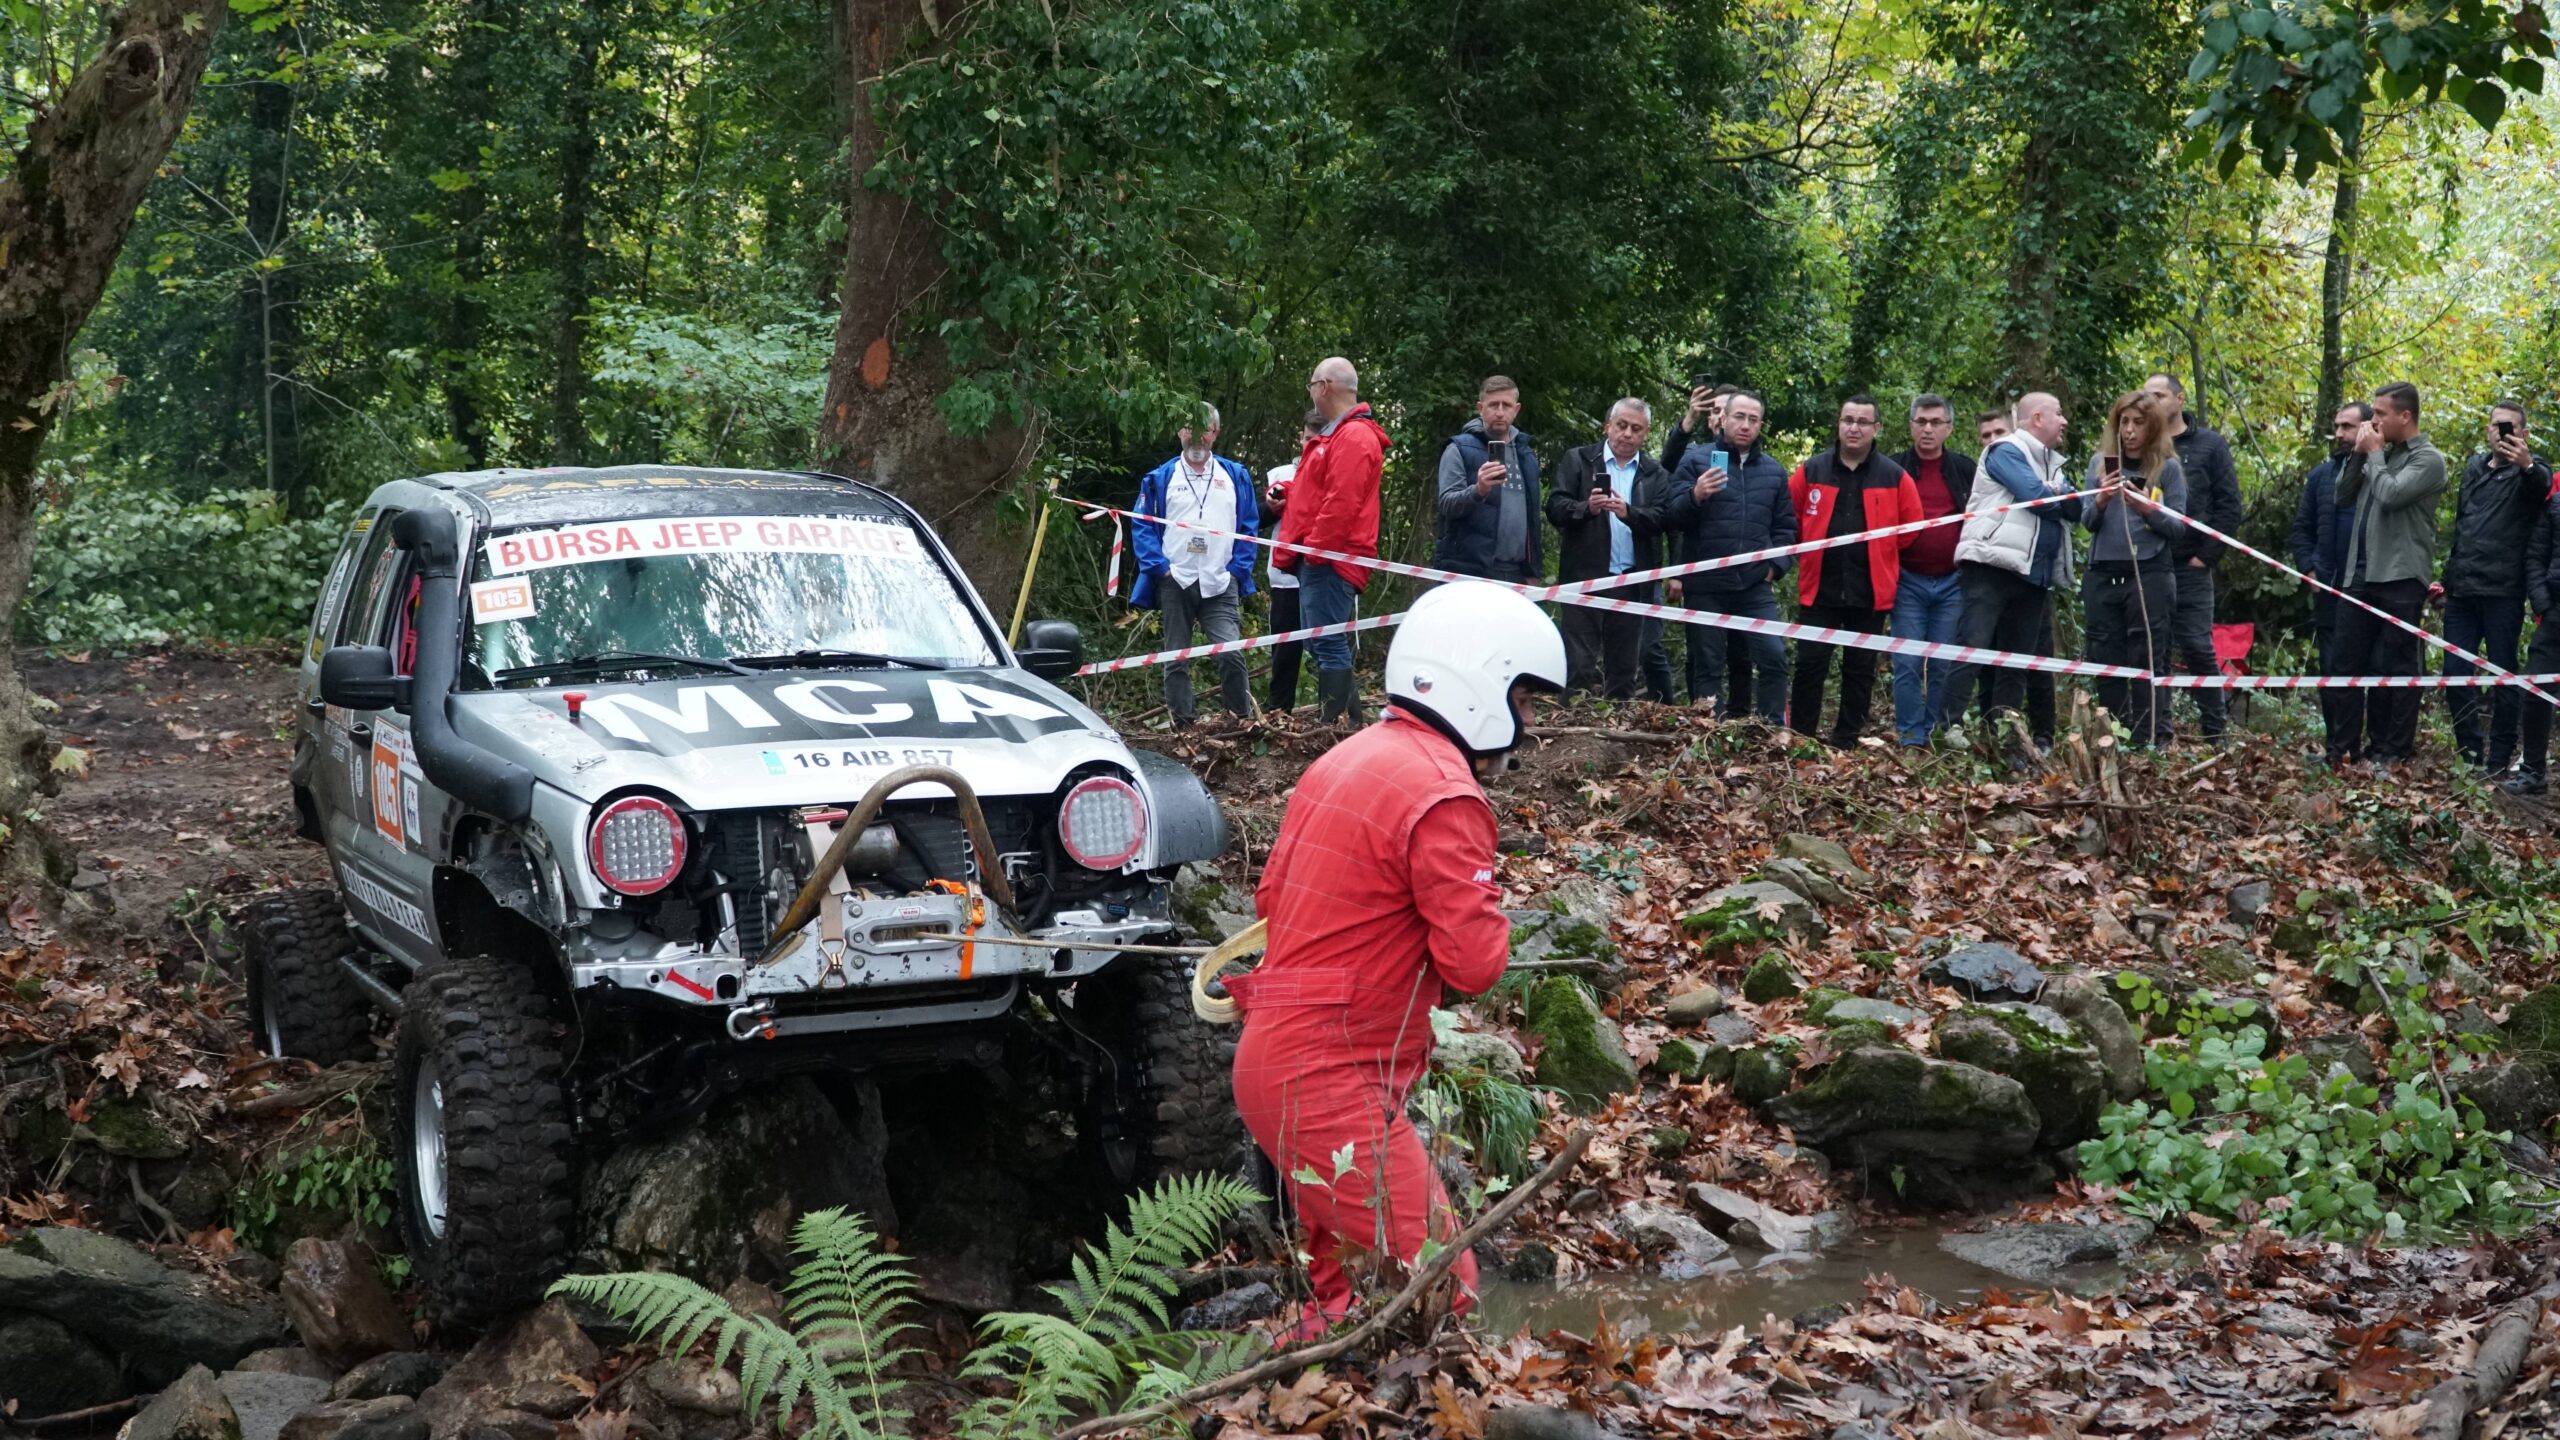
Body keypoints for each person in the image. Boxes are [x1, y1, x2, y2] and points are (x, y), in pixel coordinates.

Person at [1227, 580, 1565, 1338]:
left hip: (1278, 1061)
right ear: (1481, 681)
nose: (1531, 722)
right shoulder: (1447, 794)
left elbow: (1269, 901)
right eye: (1526, 699)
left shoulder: (1344, 757)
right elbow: (1475, 962)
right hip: (1328, 1077)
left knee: (1344, 1305)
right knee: (1448, 1288)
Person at [1943, 393, 2083, 767]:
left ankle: (2006, 739)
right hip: (1992, 564)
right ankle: (1949, 728)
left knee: (2015, 663)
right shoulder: (2005, 449)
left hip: (2033, 575)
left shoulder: (2052, 464)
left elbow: (2077, 508)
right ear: (2037, 417)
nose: (2065, 420)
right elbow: (2035, 497)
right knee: (1971, 645)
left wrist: (2057, 493)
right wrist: (2055, 493)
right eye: (2059, 413)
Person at [1787, 395, 1921, 746]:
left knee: (1859, 670)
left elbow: (1912, 529)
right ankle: (1802, 739)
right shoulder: (1812, 470)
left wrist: (1881, 555)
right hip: (1819, 588)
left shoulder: (1894, 476)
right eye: (1848, 419)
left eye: (1863, 422)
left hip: (1871, 591)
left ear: (1876, 428)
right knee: (1810, 665)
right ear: (1839, 423)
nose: (1854, 428)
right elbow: (1791, 518)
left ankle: (1846, 740)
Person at [2327, 381, 2448, 768]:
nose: (2372, 420)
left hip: (2398, 574)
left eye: (2379, 414)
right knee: (2346, 663)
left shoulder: (2428, 459)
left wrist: (2375, 455)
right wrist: (2362, 457)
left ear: (2405, 416)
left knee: (2393, 667)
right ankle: (2343, 749)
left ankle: (2391, 749)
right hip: (2358, 573)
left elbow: (2392, 495)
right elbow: (2341, 497)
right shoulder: (2379, 453)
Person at [1662, 390, 1792, 723]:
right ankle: (1709, 734)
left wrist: (1774, 570)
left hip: (1754, 585)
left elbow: (1786, 530)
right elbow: (1671, 517)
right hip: (1706, 585)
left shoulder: (1774, 472)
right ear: (1723, 418)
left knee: (1774, 655)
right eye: (1739, 417)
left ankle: (1771, 730)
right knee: (1708, 662)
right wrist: (1696, 495)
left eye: (1753, 419)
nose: (1745, 425)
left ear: (1761, 424)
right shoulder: (1695, 460)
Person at [1276, 357, 1390, 724]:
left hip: (1330, 559)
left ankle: (1332, 727)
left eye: (1311, 385)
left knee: (1326, 642)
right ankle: (1352, 722)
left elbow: (1341, 502)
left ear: (1323, 386)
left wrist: (1315, 551)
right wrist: (1288, 493)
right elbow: (1320, 490)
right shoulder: (1337, 435)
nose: (1310, 393)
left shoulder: (1354, 436)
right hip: (1323, 556)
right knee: (1322, 641)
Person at [1129, 405, 1258, 727]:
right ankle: (1184, 727)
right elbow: (1141, 526)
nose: (1197, 436)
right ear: (1179, 433)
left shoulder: (1235, 476)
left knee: (1230, 652)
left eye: (1205, 429)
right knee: (1176, 657)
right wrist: (1160, 568)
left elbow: (1249, 528)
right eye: (1190, 428)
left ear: (1215, 433)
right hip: (1176, 579)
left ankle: (1239, 720)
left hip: (1220, 580)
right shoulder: (1160, 478)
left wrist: (1237, 572)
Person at [2440, 402, 2551, 773]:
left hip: (2503, 591)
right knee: (2454, 674)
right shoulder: (2474, 469)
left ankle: (2500, 757)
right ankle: (2470, 755)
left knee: (2504, 674)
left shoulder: (2532, 473)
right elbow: (2464, 524)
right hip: (2462, 590)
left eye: (2508, 427)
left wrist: (2526, 464)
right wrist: (2448, 573)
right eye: (2494, 426)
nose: (2499, 433)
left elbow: (2542, 487)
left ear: (2523, 434)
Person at [2081, 391, 2188, 745]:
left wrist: (2146, 509)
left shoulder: (2168, 469)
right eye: (2123, 422)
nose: (2129, 431)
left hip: (2149, 573)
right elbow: (2086, 521)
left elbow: (2178, 528)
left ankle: (2147, 740)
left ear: (2152, 427)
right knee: (2105, 657)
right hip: (2103, 572)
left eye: (2138, 423)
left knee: (2147, 659)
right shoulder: (2100, 464)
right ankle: (2112, 736)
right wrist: (2100, 498)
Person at [2143, 374, 2245, 745]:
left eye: (2159, 395)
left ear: (2179, 398)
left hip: (2191, 567)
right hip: (2151, 564)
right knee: (2156, 649)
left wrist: (2207, 556)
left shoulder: (2209, 445)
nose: (2150, 402)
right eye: (2146, 395)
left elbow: (2229, 506)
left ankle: (2215, 731)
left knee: (2197, 646)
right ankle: (2160, 732)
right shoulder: (2142, 446)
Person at [1547, 399, 1672, 698]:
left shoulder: (1655, 473)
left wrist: (1629, 513)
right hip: (1584, 576)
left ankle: (1615, 737)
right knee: (1578, 663)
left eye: (1636, 429)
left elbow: (1662, 519)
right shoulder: (1578, 459)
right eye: (1622, 426)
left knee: (1624, 667)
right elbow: (1554, 507)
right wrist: (1586, 508)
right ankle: (1571, 730)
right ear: (1608, 427)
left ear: (1646, 434)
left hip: (1631, 579)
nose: (1627, 434)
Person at [1887, 395, 1975, 746]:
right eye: (1921, 421)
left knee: (1942, 664)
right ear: (1910, 425)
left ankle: (1936, 732)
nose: (1928, 429)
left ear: (1949, 428)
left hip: (1952, 581)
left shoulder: (1965, 468)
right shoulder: (1893, 468)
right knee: (1907, 662)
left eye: (1936, 422)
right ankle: (1910, 737)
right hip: (1907, 579)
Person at [1972, 408, 2057, 748]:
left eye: (1999, 432)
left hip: (2035, 577)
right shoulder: (1988, 472)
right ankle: (1995, 735)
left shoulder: (2043, 468)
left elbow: (2058, 508)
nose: (1994, 440)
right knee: (1990, 663)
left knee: (2037, 662)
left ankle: (2044, 735)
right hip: (1994, 576)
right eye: (1986, 435)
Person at [1432, 376, 1544, 585]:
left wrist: (1533, 569)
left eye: (1507, 405)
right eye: (1493, 405)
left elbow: (1533, 518)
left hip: (1516, 573)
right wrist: (1478, 490)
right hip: (1468, 573)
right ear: (1480, 408)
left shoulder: (1526, 455)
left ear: (1517, 409)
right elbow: (1447, 504)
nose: (1500, 412)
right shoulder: (1458, 449)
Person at [2290, 403, 2370, 672]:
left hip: (2371, 589)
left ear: (2368, 428)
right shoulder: (2320, 476)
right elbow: (2302, 528)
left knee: (2375, 672)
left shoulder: (2381, 473)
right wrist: (2309, 570)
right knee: (2333, 671)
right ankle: (2334, 717)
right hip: (2329, 588)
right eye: (2337, 426)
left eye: (2347, 426)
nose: (2339, 433)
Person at [1259, 412, 1322, 714]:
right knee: (1284, 651)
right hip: (1285, 576)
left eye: (1319, 439)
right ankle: (1277, 714)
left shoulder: (1335, 469)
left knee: (1326, 647)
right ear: (1300, 438)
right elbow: (1254, 519)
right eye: (1308, 439)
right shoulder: (1280, 473)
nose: (1312, 445)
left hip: (1323, 572)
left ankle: (1333, 716)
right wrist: (1274, 507)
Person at [2505, 485, 2560, 794]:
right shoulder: (2556, 499)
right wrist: (2543, 604)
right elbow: (2536, 554)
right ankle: (2533, 770)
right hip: (2555, 615)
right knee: (2536, 688)